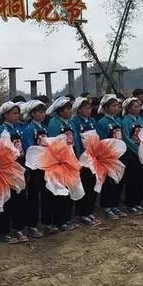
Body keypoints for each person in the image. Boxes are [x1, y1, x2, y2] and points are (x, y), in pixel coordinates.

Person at [0, 101, 29, 244]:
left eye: (17, 113)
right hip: (6, 169)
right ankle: (3, 231)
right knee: (7, 200)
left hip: (19, 167)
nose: (17, 116)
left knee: (19, 199)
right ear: (5, 114)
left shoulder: (19, 129)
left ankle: (18, 227)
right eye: (13, 113)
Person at [45, 97, 78, 231]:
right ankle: (60, 220)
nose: (70, 111)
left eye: (70, 108)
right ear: (60, 111)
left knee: (70, 189)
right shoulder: (54, 124)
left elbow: (75, 141)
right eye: (67, 109)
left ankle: (67, 218)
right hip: (59, 162)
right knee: (60, 192)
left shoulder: (70, 123)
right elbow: (54, 144)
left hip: (71, 160)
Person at [95, 94, 127, 220]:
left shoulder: (117, 120)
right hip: (108, 157)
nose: (116, 108)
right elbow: (101, 140)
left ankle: (115, 205)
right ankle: (107, 207)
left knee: (118, 180)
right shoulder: (102, 122)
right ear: (106, 107)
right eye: (113, 106)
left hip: (119, 154)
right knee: (109, 182)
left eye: (117, 106)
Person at [70, 97, 100, 226]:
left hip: (93, 156)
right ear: (79, 109)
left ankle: (90, 211)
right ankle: (82, 212)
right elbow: (76, 140)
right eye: (86, 108)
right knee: (84, 184)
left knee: (93, 183)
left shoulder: (93, 121)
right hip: (83, 157)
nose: (89, 110)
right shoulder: (75, 122)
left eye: (90, 108)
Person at [21, 100, 48, 238]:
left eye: (44, 111)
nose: (42, 114)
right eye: (39, 111)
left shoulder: (43, 127)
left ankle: (44, 222)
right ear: (32, 113)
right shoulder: (28, 129)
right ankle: (31, 225)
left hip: (45, 166)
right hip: (34, 167)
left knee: (44, 195)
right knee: (32, 197)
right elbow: (29, 149)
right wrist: (28, 170)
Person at [121, 97, 143, 215]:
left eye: (139, 106)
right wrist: (138, 150)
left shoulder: (139, 120)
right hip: (132, 154)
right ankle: (131, 204)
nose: (138, 108)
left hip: (141, 152)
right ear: (128, 109)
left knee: (140, 178)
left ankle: (138, 202)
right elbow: (126, 138)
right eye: (135, 106)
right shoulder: (125, 121)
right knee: (132, 179)